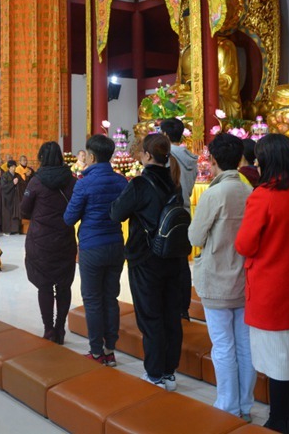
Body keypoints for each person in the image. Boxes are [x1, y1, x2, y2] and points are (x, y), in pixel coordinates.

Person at [235, 134, 289, 434]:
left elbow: (245, 244)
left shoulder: (263, 195)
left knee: (278, 362)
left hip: (269, 288)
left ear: (265, 161)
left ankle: (280, 421)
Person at [112, 133, 190, 391]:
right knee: (171, 314)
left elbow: (116, 213)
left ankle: (155, 374)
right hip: (174, 257)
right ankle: (169, 373)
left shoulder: (140, 184)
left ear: (146, 155)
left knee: (150, 316)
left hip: (146, 259)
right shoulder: (175, 181)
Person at [188, 133, 254, 418]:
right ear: (240, 159)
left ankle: (228, 406)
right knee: (244, 344)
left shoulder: (214, 194)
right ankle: (245, 405)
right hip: (245, 276)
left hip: (217, 277)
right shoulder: (250, 190)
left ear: (212, 160)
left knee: (223, 345)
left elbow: (195, 235)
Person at [64, 134, 129, 366]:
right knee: (111, 298)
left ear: (91, 156)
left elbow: (69, 218)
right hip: (115, 245)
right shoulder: (121, 181)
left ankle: (96, 351)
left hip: (92, 247)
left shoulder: (83, 183)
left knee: (92, 300)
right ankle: (110, 350)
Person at [21, 141, 76, 344]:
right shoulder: (71, 181)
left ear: (42, 157)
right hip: (64, 239)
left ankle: (48, 330)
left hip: (40, 242)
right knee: (64, 285)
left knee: (44, 286)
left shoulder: (36, 181)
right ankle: (60, 329)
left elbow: (24, 210)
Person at [160, 117, 198, 321]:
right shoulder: (192, 158)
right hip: (184, 211)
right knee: (182, 261)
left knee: (166, 260)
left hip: (168, 212)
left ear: (165, 135)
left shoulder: (166, 157)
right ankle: (183, 306)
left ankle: (170, 306)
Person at [0, 161, 22, 234]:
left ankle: (15, 229)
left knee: (16, 213)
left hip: (16, 197)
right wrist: (13, 183)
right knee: (7, 214)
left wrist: (18, 184)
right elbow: (3, 187)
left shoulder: (17, 175)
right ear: (8, 168)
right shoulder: (5, 175)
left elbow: (22, 185)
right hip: (7, 197)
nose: (13, 168)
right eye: (12, 167)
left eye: (14, 166)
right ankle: (8, 230)